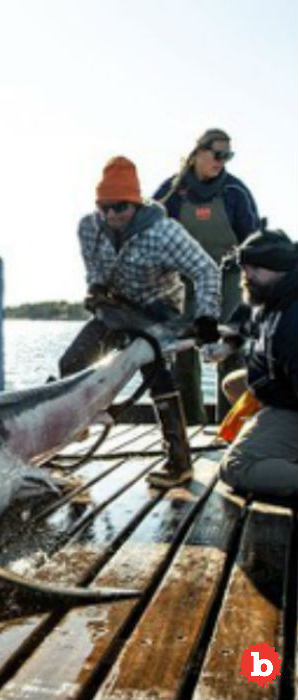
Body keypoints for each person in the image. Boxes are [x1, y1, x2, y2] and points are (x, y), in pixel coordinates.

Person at [60, 156, 221, 488]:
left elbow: (206, 270)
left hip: (157, 306)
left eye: (120, 207)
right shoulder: (88, 227)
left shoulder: (164, 232)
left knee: (155, 374)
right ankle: (74, 426)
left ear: (135, 203)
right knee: (71, 361)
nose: (112, 215)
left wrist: (206, 316)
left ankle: (178, 461)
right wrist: (95, 287)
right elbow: (93, 267)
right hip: (115, 303)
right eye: (104, 207)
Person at [154, 128, 260, 423]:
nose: (222, 161)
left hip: (228, 279)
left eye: (228, 156)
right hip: (184, 281)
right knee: (184, 354)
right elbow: (151, 234)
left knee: (229, 350)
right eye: (217, 154)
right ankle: (191, 425)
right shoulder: (172, 192)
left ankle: (230, 428)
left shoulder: (235, 192)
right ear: (198, 152)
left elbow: (252, 241)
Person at [208, 228, 298, 498]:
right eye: (244, 268)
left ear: (279, 267)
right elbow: (244, 319)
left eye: (254, 269)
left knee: (237, 467)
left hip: (291, 401)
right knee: (233, 384)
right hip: (280, 387)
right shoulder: (271, 292)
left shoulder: (292, 320)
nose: (246, 276)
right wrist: (225, 346)